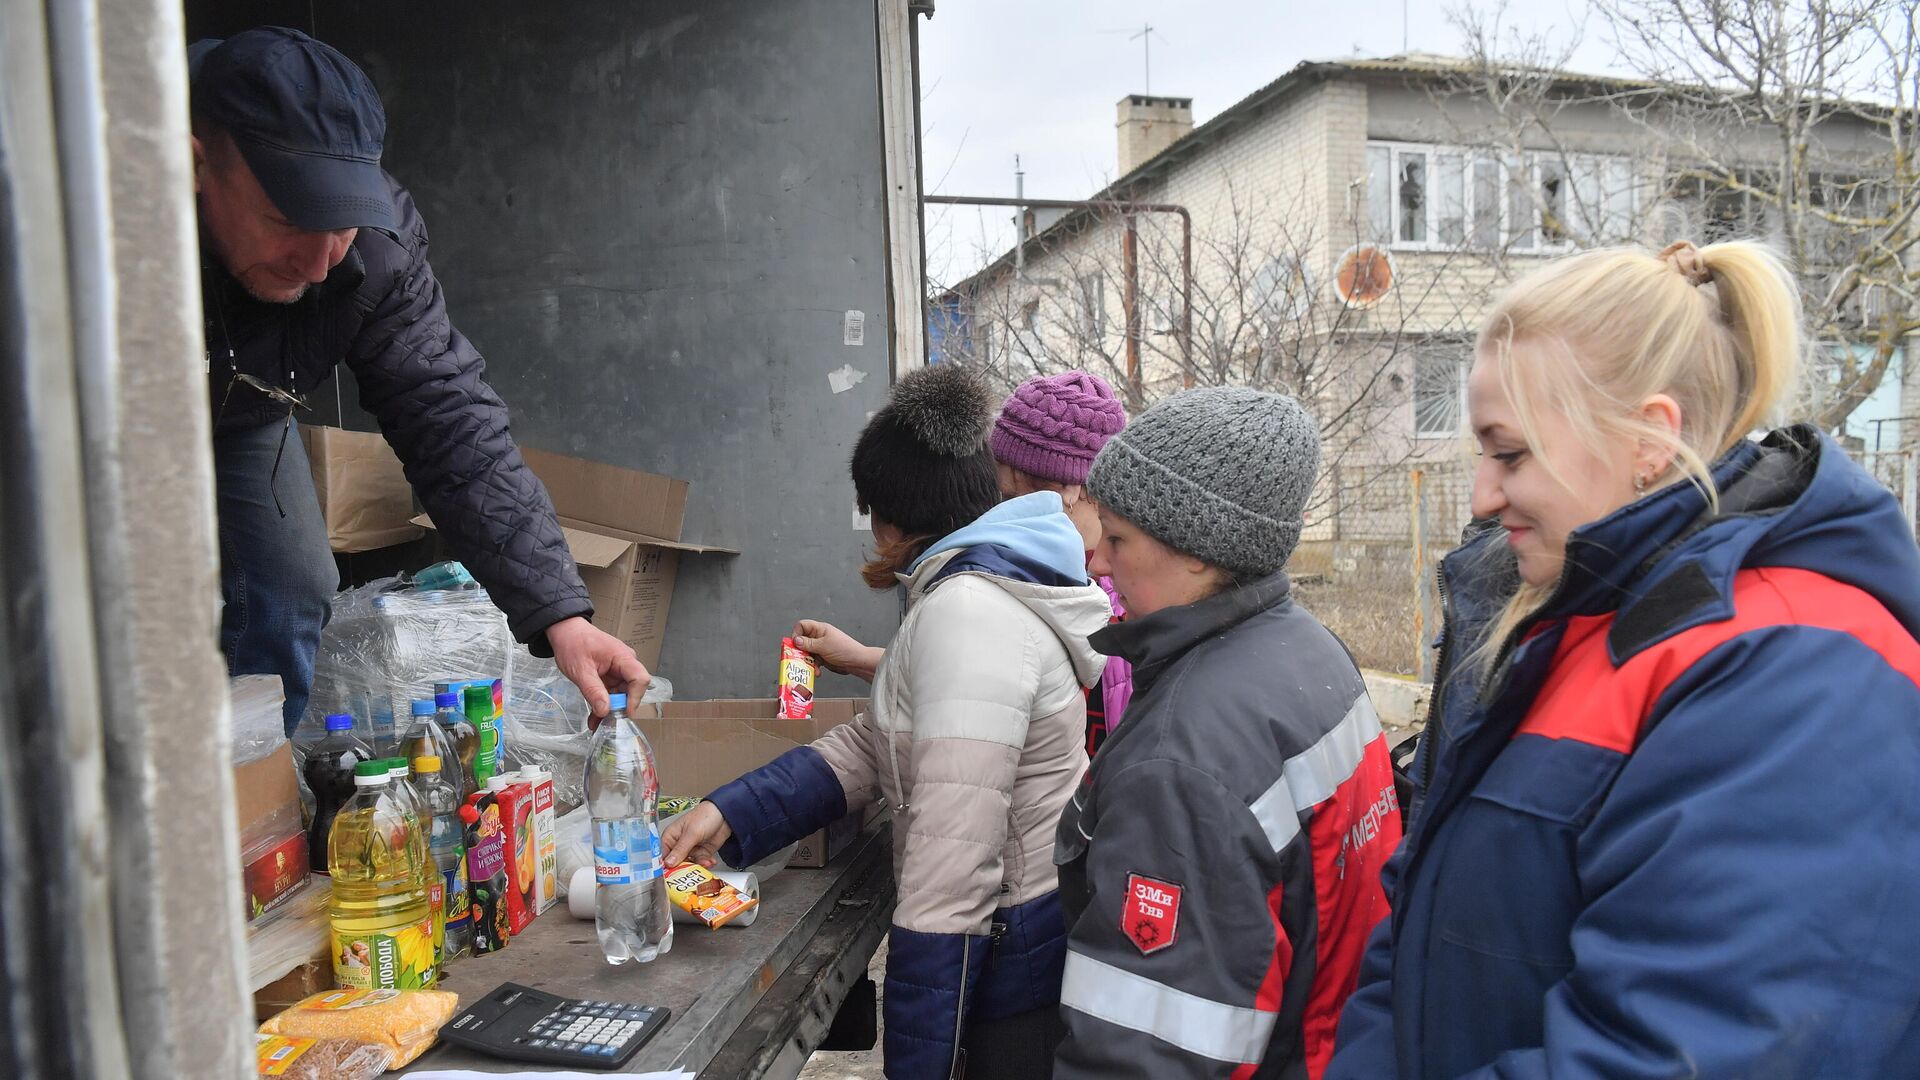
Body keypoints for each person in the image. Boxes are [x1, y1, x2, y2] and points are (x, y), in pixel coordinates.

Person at [1327, 240, 1920, 1080]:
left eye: (1511, 452)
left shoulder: (1795, 671)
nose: (1481, 498)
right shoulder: (1569, 629)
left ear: (1649, 437)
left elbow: (1692, 1049)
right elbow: (1419, 927)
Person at [187, 27, 644, 733]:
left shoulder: (378, 252)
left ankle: (249, 805)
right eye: (286, 219)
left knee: (291, 585)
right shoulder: (89, 216)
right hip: (97, 416)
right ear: (192, 166)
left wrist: (561, 614)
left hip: (245, 408)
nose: (317, 266)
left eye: (339, 227)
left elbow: (450, 419)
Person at [662, 364, 1111, 1079]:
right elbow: (878, 742)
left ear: (893, 517)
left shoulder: (969, 616)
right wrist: (732, 810)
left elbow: (949, 884)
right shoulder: (969, 594)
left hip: (1009, 963)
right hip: (1014, 947)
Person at [1053, 387, 1401, 1079]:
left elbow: (1147, 1051)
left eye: (1117, 537)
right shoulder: (1308, 650)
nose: (1097, 561)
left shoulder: (1181, 760)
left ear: (1201, 554)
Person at [794, 369, 1134, 752]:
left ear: (1072, 488)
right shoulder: (1022, 573)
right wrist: (862, 659)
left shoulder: (1123, 590)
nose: (1000, 513)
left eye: (1012, 493)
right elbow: (986, 687)